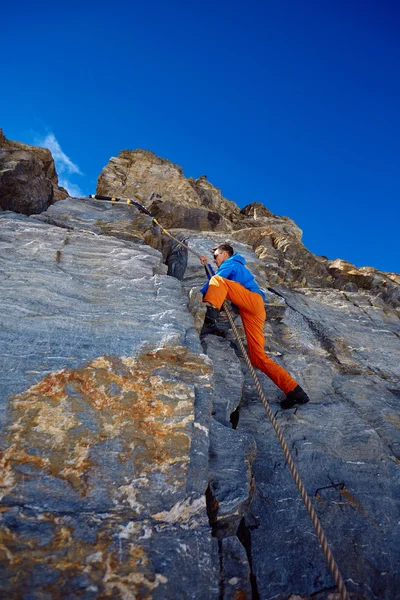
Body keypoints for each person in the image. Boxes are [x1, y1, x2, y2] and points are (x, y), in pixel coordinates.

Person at [199, 243, 310, 410]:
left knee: (217, 280)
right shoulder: (231, 267)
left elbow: (217, 282)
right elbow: (219, 285)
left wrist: (200, 296)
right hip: (254, 309)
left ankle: (209, 321)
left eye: (216, 256)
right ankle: (295, 391)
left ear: (225, 254)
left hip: (251, 301)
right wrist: (206, 265)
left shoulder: (231, 263)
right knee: (257, 356)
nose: (215, 260)